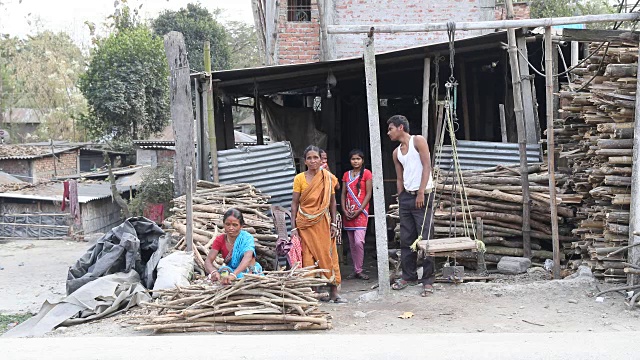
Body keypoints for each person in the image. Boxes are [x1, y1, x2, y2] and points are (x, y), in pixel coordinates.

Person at [387, 114, 436, 297]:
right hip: (407, 197)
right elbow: (399, 177)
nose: (388, 132)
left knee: (425, 239)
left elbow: (427, 166)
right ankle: (409, 276)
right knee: (407, 239)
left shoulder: (418, 141)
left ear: (400, 127)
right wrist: (401, 196)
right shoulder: (396, 153)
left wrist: (421, 191)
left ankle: (428, 280)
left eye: (391, 128)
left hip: (423, 194)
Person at [291, 145, 346, 303]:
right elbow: (294, 203)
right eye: (309, 158)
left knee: (328, 255)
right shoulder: (299, 178)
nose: (313, 161)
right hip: (305, 225)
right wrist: (293, 227)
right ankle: (313, 293)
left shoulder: (327, 177)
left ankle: (334, 292)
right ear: (305, 160)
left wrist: (334, 224)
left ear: (321, 160)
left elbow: (332, 202)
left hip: (323, 223)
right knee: (308, 258)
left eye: (316, 157)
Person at [204, 208, 263, 285]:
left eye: (235, 225)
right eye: (228, 224)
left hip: (249, 273)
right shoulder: (220, 240)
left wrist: (234, 275)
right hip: (230, 272)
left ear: (241, 226)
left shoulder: (247, 238)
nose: (231, 228)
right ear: (224, 224)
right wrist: (213, 272)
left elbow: (247, 258)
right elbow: (208, 261)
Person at [340, 149, 372, 280]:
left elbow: (369, 194)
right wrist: (344, 210)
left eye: (358, 159)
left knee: (359, 242)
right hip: (348, 212)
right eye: (353, 159)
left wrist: (358, 211)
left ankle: (359, 268)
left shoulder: (367, 174)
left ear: (362, 160)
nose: (355, 161)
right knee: (352, 244)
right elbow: (342, 194)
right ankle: (356, 270)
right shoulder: (346, 175)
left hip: (361, 212)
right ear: (350, 160)